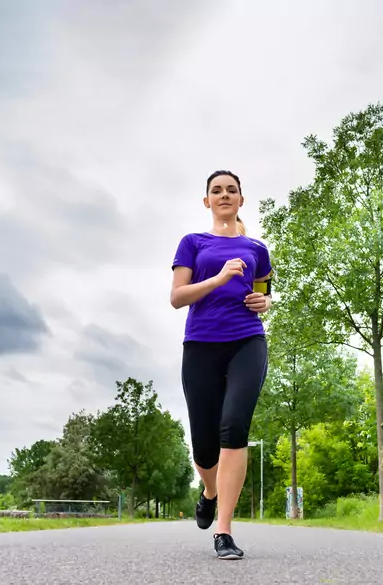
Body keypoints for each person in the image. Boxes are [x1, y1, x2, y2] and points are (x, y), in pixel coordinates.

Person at [170, 169, 273, 560]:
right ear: (207, 201)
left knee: (234, 428)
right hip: (201, 344)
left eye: (232, 190)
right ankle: (209, 492)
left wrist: (266, 302)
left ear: (241, 200)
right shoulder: (192, 243)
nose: (224, 195)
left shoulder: (256, 248)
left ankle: (224, 531)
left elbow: (262, 292)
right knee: (204, 447)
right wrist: (217, 277)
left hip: (247, 340)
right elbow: (178, 297)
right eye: (217, 190)